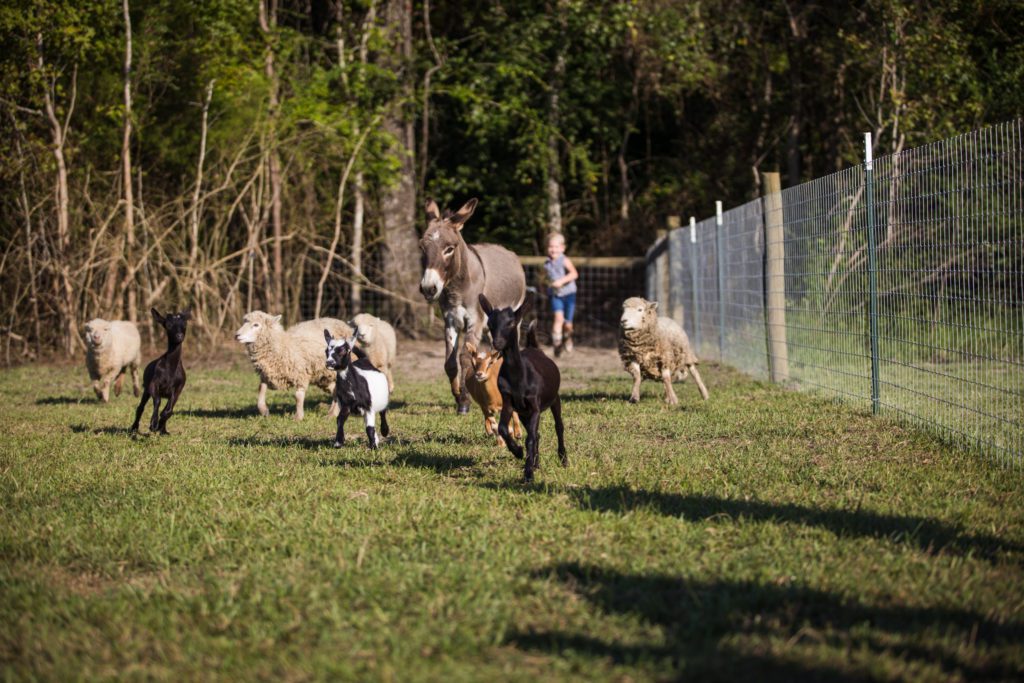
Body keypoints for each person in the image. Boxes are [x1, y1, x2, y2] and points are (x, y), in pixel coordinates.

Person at [543, 232, 579, 356]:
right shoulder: (546, 264)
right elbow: (548, 279)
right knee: (558, 318)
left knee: (568, 323)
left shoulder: (564, 260)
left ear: (562, 248)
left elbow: (574, 274)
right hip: (555, 295)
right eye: (551, 247)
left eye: (556, 247)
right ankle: (557, 345)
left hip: (569, 294)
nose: (553, 249)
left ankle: (568, 338)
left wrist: (561, 281)